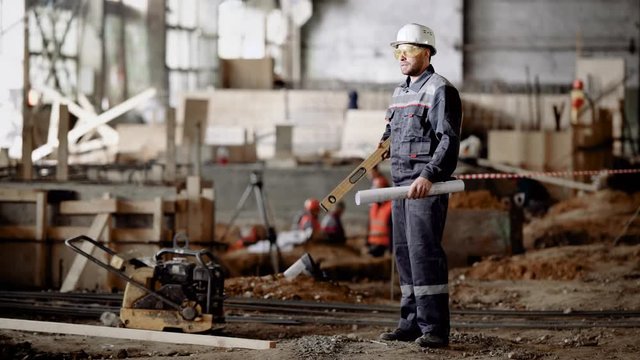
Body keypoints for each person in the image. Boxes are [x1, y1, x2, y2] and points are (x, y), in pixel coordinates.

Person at [378, 23, 462, 349]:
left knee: (424, 254)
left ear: (426, 54)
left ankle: (435, 328)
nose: (401, 55)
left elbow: (448, 140)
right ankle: (410, 323)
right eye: (398, 49)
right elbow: (391, 133)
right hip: (400, 187)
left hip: (425, 187)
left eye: (409, 49)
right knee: (404, 254)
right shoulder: (400, 92)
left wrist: (429, 174)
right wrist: (382, 145)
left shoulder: (440, 90)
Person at [367, 175, 392, 257]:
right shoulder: (373, 206)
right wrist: (366, 244)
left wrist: (391, 249)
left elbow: (393, 229)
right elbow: (369, 225)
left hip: (384, 247)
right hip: (372, 244)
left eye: (377, 188)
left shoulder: (391, 206)